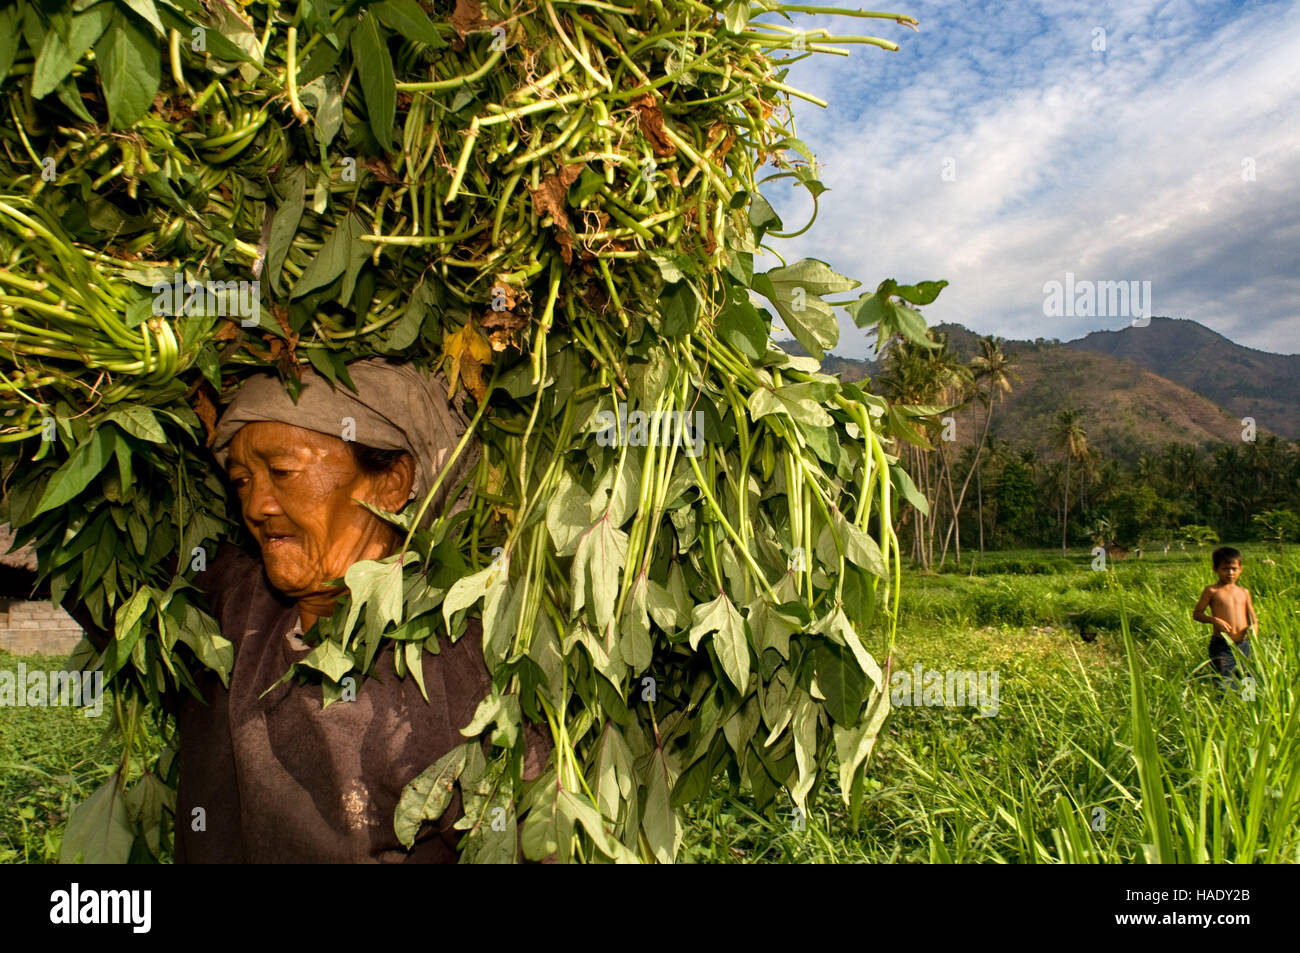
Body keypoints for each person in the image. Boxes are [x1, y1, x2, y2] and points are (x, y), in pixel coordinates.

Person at [70, 358, 549, 862]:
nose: (256, 505)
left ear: (391, 483)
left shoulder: (469, 671)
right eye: (241, 481)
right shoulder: (222, 607)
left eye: (282, 472)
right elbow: (94, 565)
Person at [1191, 546, 1257, 693]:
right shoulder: (1212, 591)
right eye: (1225, 569)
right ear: (1215, 569)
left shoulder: (1244, 592)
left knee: (1248, 678)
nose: (1230, 573)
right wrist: (1215, 620)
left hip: (1244, 644)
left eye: (1234, 568)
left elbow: (1253, 618)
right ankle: (1225, 710)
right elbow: (1197, 614)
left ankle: (1249, 709)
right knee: (1224, 680)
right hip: (1222, 645)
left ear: (1240, 569)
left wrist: (1253, 631)